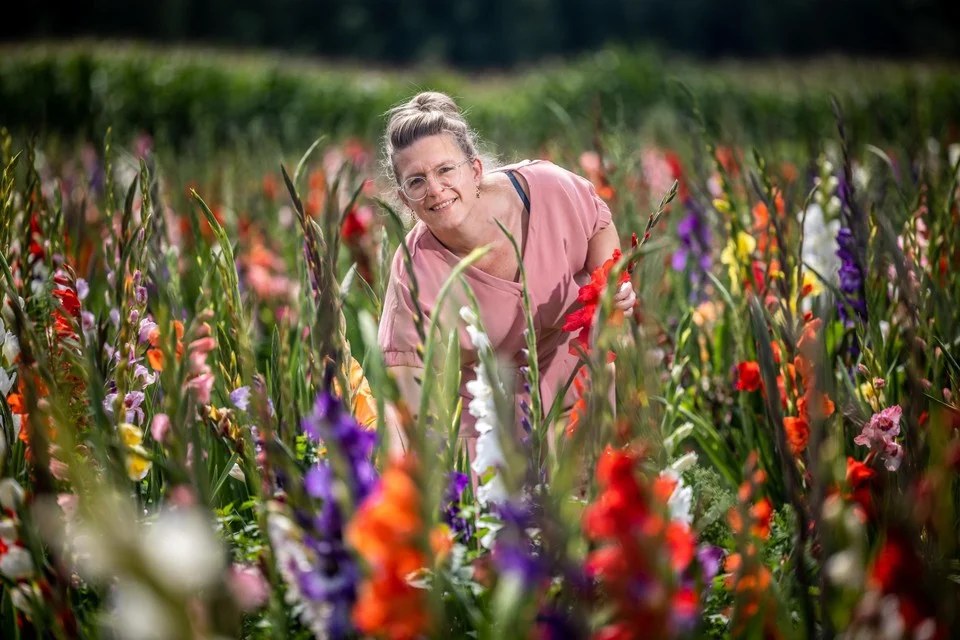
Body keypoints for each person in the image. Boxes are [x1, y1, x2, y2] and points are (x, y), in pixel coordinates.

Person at [377, 91, 635, 456]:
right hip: (487, 428)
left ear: (475, 170)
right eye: (416, 181)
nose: (434, 189)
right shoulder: (413, 272)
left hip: (580, 393)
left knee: (591, 487)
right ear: (405, 199)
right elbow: (403, 392)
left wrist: (611, 283)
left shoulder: (547, 189)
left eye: (445, 170)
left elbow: (597, 222)